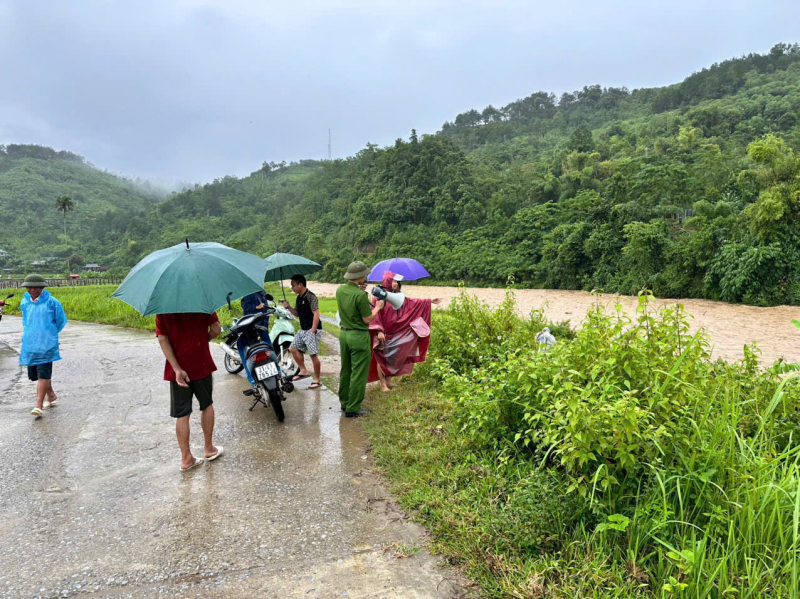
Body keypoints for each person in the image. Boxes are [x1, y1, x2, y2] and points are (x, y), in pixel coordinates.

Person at [155, 311, 223, 472]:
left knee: (182, 413)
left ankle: (186, 458)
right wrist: (206, 338)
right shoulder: (201, 301)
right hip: (201, 362)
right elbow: (216, 329)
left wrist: (177, 368)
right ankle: (209, 449)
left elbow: (162, 338)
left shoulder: (163, 307)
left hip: (177, 369)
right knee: (206, 404)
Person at [369, 272, 440, 392]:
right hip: (383, 332)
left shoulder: (398, 296)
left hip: (395, 331)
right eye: (393, 281)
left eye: (396, 282)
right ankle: (382, 385)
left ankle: (389, 381)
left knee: (393, 357)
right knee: (381, 358)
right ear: (387, 281)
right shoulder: (378, 296)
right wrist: (379, 330)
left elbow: (412, 302)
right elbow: (375, 315)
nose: (396, 284)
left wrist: (429, 301)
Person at [336, 261, 384, 418]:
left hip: (344, 335)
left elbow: (351, 298)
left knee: (346, 370)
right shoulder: (360, 295)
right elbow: (367, 319)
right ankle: (353, 407)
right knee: (359, 373)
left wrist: (359, 289)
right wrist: (377, 307)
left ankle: (344, 402)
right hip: (358, 336)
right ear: (361, 277)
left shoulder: (340, 290)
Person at [19, 274, 67, 418]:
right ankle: (51, 395)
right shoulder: (25, 303)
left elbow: (60, 321)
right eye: (29, 287)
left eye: (36, 287)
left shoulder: (52, 303)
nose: (32, 290)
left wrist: (49, 335)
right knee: (37, 374)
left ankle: (38, 405)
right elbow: (26, 322)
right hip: (31, 343)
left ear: (42, 287)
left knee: (43, 374)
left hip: (46, 344)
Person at [282, 274, 322, 389]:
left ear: (300, 284)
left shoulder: (311, 297)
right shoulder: (299, 298)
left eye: (293, 285)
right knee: (292, 348)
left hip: (312, 329)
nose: (292, 288)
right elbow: (297, 314)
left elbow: (316, 314)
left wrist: (313, 330)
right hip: (303, 329)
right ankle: (303, 370)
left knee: (313, 355)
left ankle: (317, 379)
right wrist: (289, 307)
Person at [238, 289, 274, 389]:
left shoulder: (250, 292)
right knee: (269, 346)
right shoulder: (261, 292)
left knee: (241, 345)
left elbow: (245, 306)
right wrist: (258, 307)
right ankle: (278, 369)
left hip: (252, 328)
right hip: (262, 326)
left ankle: (251, 378)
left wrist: (257, 307)